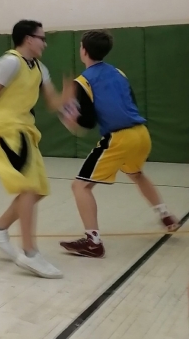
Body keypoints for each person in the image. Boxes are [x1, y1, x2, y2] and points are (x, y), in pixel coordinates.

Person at [58, 29, 179, 257]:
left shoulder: (83, 81)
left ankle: (93, 242)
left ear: (84, 51)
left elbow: (87, 123)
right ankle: (165, 215)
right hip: (141, 133)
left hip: (119, 137)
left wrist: (66, 112)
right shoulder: (118, 72)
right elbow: (129, 103)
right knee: (137, 174)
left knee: (80, 186)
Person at [0, 20, 74, 279]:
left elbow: (52, 102)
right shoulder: (9, 62)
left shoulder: (40, 68)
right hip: (7, 129)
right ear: (28, 39)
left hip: (25, 130)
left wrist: (66, 97)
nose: (45, 43)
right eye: (42, 38)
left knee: (38, 189)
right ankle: (30, 253)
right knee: (28, 188)